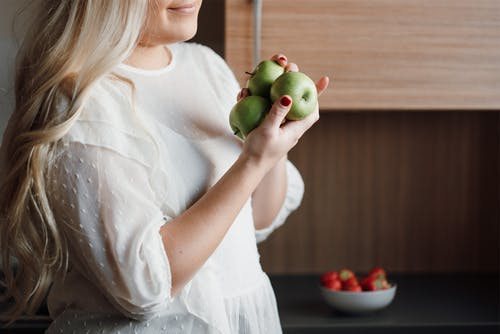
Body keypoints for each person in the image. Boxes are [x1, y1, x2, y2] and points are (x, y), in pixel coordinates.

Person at [0, 0, 329, 333]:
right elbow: (143, 288)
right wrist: (253, 162)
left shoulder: (205, 66)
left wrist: (275, 142)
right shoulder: (80, 102)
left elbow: (255, 218)